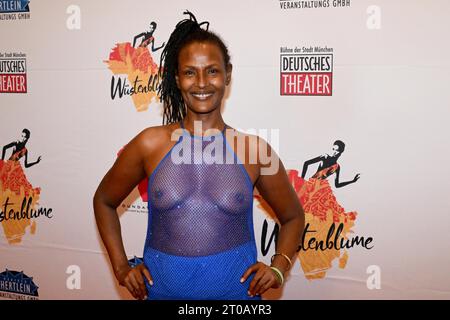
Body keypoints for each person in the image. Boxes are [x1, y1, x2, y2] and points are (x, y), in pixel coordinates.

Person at [93, 10, 304, 300]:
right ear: (177, 79)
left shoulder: (254, 151)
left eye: (212, 71)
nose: (202, 83)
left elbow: (293, 216)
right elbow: (104, 200)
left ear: (228, 74)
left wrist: (279, 268)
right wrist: (120, 267)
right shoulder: (149, 144)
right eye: (190, 72)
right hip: (162, 294)